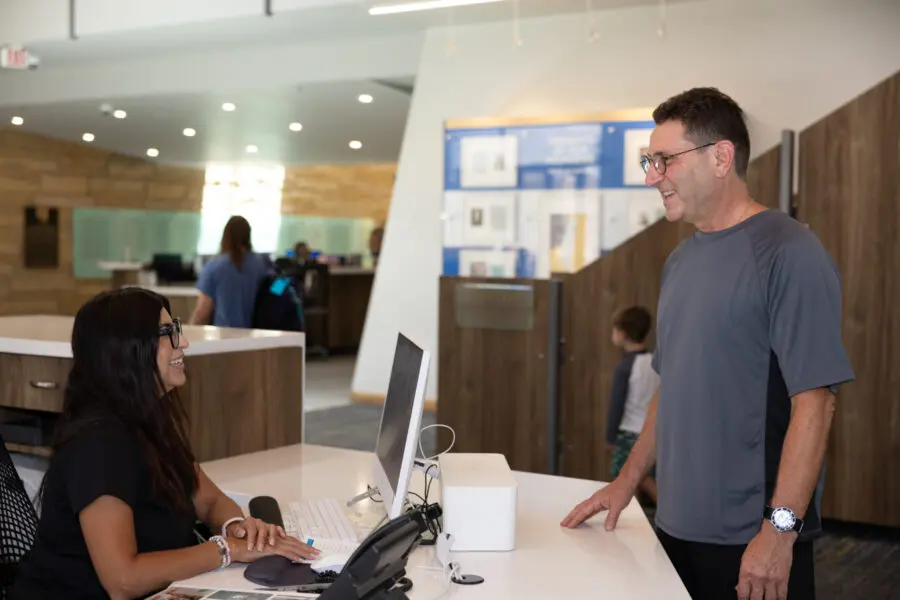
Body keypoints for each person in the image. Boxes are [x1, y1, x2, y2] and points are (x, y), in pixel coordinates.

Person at [560, 87, 854, 600]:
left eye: (664, 161)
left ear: (721, 157)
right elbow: (669, 389)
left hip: (751, 541)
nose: (653, 176)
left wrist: (779, 533)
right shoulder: (680, 261)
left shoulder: (790, 252)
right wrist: (626, 484)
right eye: (650, 161)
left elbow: (816, 404)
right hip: (674, 528)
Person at [10, 288, 319, 599]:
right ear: (126, 349)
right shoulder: (98, 443)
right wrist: (228, 550)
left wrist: (236, 526)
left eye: (178, 329)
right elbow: (123, 579)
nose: (182, 342)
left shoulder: (147, 418)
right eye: (167, 333)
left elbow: (208, 500)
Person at [604, 306, 658, 504]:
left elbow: (616, 405)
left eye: (614, 329)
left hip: (628, 432)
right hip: (650, 430)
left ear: (623, 334)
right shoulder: (653, 362)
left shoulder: (625, 367)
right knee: (640, 477)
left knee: (629, 476)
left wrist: (610, 438)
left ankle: (662, 508)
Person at [190, 216, 271, 327]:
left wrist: (189, 332)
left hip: (224, 336)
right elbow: (277, 290)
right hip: (258, 334)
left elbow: (202, 311)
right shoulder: (263, 264)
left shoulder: (214, 266)